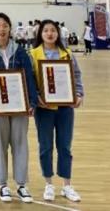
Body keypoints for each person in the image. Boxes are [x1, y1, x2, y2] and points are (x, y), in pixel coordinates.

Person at [0, 13, 38, 203]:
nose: (2, 29)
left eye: (5, 25)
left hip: (20, 105)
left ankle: (21, 184)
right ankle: (3, 184)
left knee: (20, 143)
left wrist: (31, 102)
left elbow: (29, 76)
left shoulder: (20, 51)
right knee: (0, 144)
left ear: (10, 28)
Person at [30, 20, 84, 203]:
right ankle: (49, 184)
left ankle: (67, 185)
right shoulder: (33, 54)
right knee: (45, 146)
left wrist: (79, 94)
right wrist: (36, 97)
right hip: (44, 108)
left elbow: (76, 75)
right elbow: (30, 80)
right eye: (46, 30)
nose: (49, 33)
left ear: (57, 33)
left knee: (65, 146)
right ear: (40, 34)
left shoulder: (67, 53)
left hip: (65, 108)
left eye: (53, 30)